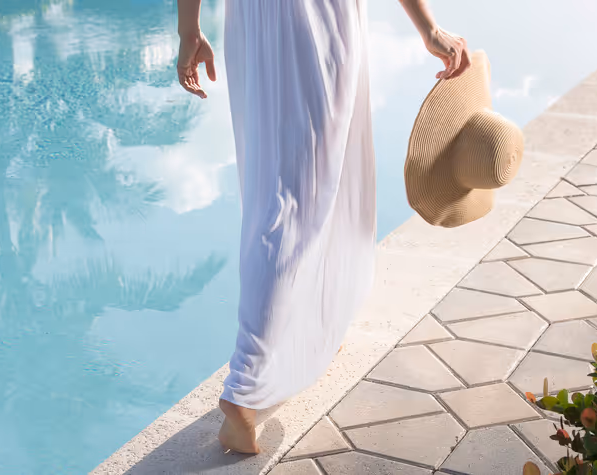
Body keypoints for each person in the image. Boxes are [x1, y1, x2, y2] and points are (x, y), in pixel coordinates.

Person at [175, 0, 471, 454]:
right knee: (296, 193)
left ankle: (298, 332)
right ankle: (244, 386)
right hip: (316, 19)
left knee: (275, 188)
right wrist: (428, 28)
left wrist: (189, 29)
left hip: (252, 20)